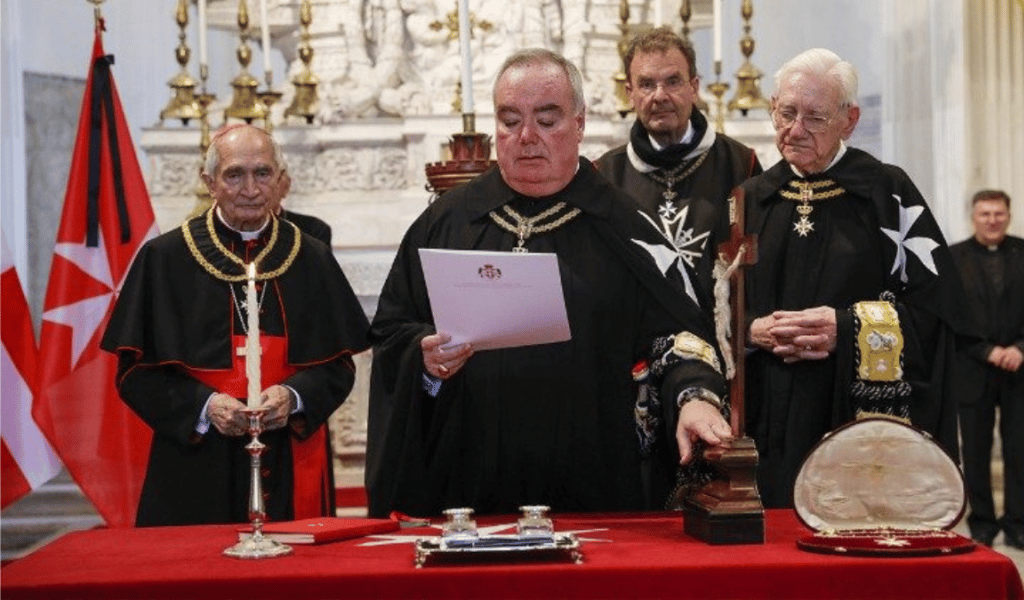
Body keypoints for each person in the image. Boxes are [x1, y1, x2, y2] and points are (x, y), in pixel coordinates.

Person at [366, 48, 731, 518]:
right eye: (509, 119)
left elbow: (680, 338)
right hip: (467, 485)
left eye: (546, 119)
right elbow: (392, 332)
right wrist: (423, 356)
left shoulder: (625, 227)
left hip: (590, 482)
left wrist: (694, 399)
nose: (526, 137)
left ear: (578, 125)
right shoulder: (446, 223)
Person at [101, 124, 370, 526]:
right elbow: (134, 374)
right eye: (234, 175)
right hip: (195, 461)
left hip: (290, 454)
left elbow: (339, 366)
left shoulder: (310, 257)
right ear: (209, 182)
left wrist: (294, 397)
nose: (250, 189)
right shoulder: (165, 259)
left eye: (262, 173)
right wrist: (206, 407)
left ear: (280, 181)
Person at [740, 48, 973, 508]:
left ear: (849, 120)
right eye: (786, 113)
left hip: (858, 418)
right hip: (765, 419)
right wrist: (750, 330)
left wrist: (847, 328)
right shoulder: (749, 201)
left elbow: (938, 313)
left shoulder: (888, 194)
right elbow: (711, 308)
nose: (795, 130)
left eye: (815, 117)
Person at [596, 27, 762, 309]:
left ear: (694, 87)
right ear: (630, 93)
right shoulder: (605, 175)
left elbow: (759, 269)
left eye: (673, 82)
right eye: (647, 84)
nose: (660, 96)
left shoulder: (740, 164)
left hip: (719, 341)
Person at [950, 189, 1024, 551]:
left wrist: (1022, 348)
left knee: (1019, 450)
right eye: (985, 214)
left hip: (1022, 369)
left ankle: (1019, 526)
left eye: (999, 213)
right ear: (973, 217)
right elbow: (952, 313)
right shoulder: (954, 256)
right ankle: (981, 525)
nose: (992, 220)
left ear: (1009, 216)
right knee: (976, 452)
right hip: (974, 368)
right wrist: (987, 350)